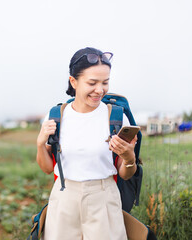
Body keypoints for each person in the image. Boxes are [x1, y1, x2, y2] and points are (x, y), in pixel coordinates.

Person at [36, 47, 137, 240]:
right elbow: (47, 168)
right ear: (73, 81)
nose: (100, 90)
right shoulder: (56, 116)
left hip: (104, 197)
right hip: (64, 197)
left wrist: (128, 156)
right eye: (92, 83)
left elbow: (125, 173)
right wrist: (40, 144)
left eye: (105, 82)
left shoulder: (115, 117)